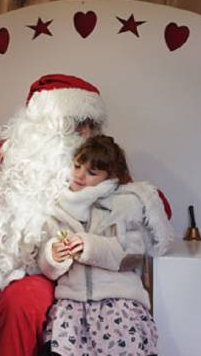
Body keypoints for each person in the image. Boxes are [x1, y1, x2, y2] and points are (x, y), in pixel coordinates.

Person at [0, 74, 171, 356]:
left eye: (92, 125)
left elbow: (143, 201)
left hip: (50, 270)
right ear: (46, 123)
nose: (86, 133)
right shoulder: (3, 154)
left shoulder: (91, 167)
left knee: (21, 302)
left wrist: (140, 203)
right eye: (77, 124)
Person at [38, 135, 174, 356]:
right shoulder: (58, 208)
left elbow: (131, 255)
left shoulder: (124, 204)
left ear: (110, 177)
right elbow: (48, 269)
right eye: (77, 166)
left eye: (92, 172)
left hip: (118, 301)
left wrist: (89, 246)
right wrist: (54, 256)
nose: (80, 176)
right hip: (72, 303)